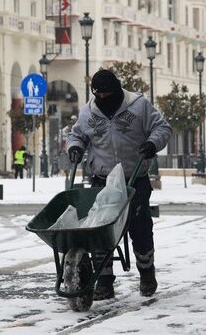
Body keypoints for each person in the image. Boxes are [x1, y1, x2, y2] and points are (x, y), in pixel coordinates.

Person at [67, 69, 172, 300]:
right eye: (99, 94)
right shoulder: (88, 111)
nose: (103, 98)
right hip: (102, 179)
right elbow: (77, 135)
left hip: (134, 177)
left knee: (139, 224)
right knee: (99, 228)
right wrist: (74, 147)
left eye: (107, 93)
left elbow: (162, 128)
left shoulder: (139, 106)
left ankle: (146, 273)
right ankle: (103, 281)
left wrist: (152, 143)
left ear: (117, 89)